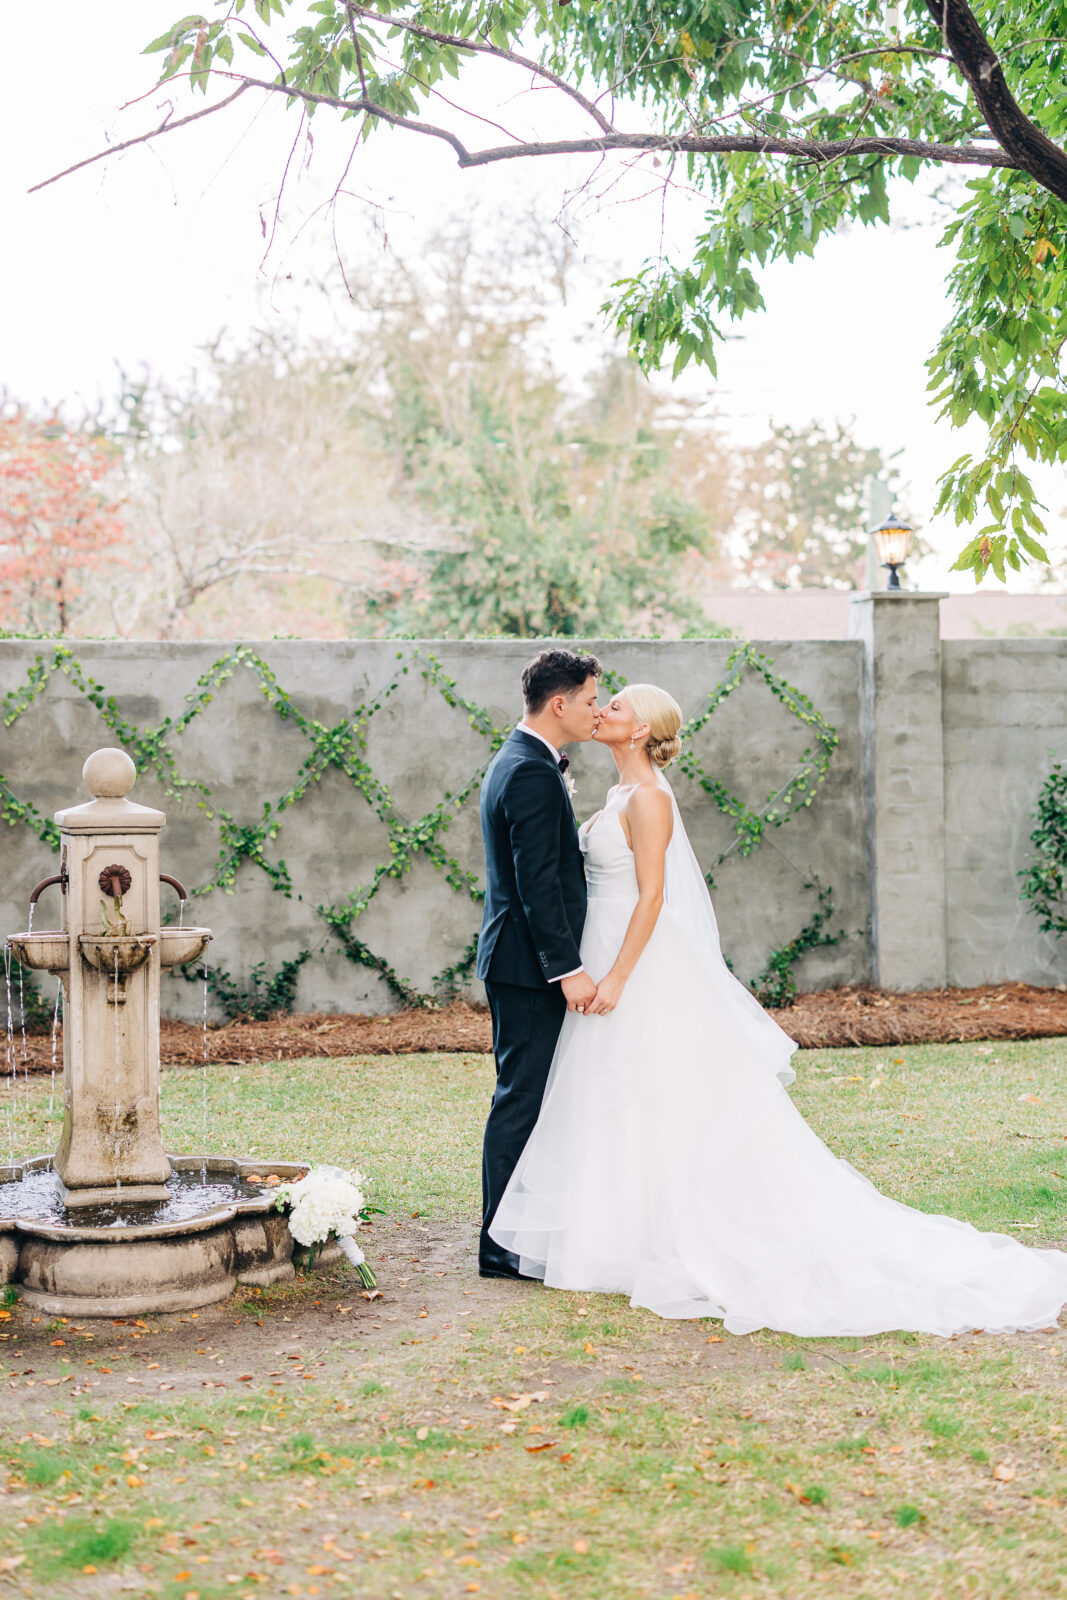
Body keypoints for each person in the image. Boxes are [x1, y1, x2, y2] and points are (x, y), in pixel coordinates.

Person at [489, 683, 1067, 1337]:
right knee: (623, 1092)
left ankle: (680, 1234)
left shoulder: (649, 798)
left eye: (616, 705)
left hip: (638, 961)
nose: (603, 711)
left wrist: (618, 976)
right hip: (603, 946)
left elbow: (651, 898)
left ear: (643, 728)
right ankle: (624, 1233)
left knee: (649, 1088)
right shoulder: (618, 793)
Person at [476, 649, 601, 1278]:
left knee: (529, 1094)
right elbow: (536, 883)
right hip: (527, 966)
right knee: (520, 1097)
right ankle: (500, 1244)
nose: (596, 711)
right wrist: (567, 967)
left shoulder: (525, 760)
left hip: (522, 961)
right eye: (589, 700)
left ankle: (517, 1229)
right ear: (560, 703)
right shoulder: (528, 770)